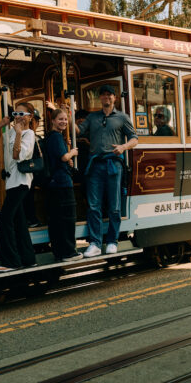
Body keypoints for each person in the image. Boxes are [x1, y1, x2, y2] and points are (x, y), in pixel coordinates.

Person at [74, 84, 138, 257]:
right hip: (95, 165)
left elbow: (134, 139)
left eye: (109, 95)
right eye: (103, 95)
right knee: (94, 205)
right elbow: (78, 131)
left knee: (114, 206)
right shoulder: (92, 117)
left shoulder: (123, 118)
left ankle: (112, 241)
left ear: (114, 98)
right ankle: (95, 243)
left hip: (113, 165)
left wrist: (123, 147)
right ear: (100, 98)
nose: (106, 98)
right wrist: (67, 115)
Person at [0, 102, 37, 272]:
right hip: (10, 182)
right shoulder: (11, 131)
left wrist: (19, 134)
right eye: (15, 113)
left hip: (21, 181)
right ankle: (28, 259)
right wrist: (0, 127)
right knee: (19, 222)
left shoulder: (29, 133)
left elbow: (17, 155)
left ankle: (11, 262)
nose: (18, 116)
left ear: (30, 117)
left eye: (22, 113)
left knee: (5, 219)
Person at [46, 108, 83, 262]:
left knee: (57, 219)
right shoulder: (55, 137)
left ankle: (60, 251)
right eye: (60, 119)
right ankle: (68, 252)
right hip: (62, 182)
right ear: (53, 121)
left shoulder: (53, 137)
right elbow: (63, 157)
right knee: (67, 219)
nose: (63, 122)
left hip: (55, 182)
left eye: (65, 119)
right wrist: (72, 153)